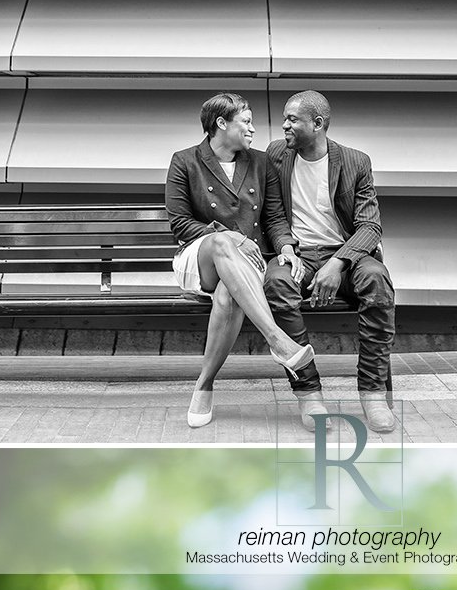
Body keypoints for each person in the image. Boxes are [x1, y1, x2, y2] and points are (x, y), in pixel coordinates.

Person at [165, 94, 314, 429]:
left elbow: (274, 217)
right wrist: (233, 236)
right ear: (222, 123)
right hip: (199, 259)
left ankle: (204, 384)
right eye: (245, 121)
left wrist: (287, 248)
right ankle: (276, 339)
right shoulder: (185, 161)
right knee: (220, 242)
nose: (252, 128)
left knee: (229, 294)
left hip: (246, 266)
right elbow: (180, 223)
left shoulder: (261, 163)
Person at [264, 91, 396, 435]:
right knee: (276, 284)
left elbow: (370, 226)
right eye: (285, 118)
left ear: (318, 124)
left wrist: (337, 263)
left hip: (347, 253)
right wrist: (286, 247)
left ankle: (373, 393)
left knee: (378, 282)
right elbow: (274, 214)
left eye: (292, 119)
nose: (285, 125)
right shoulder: (277, 154)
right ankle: (308, 393)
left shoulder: (355, 161)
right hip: (298, 254)